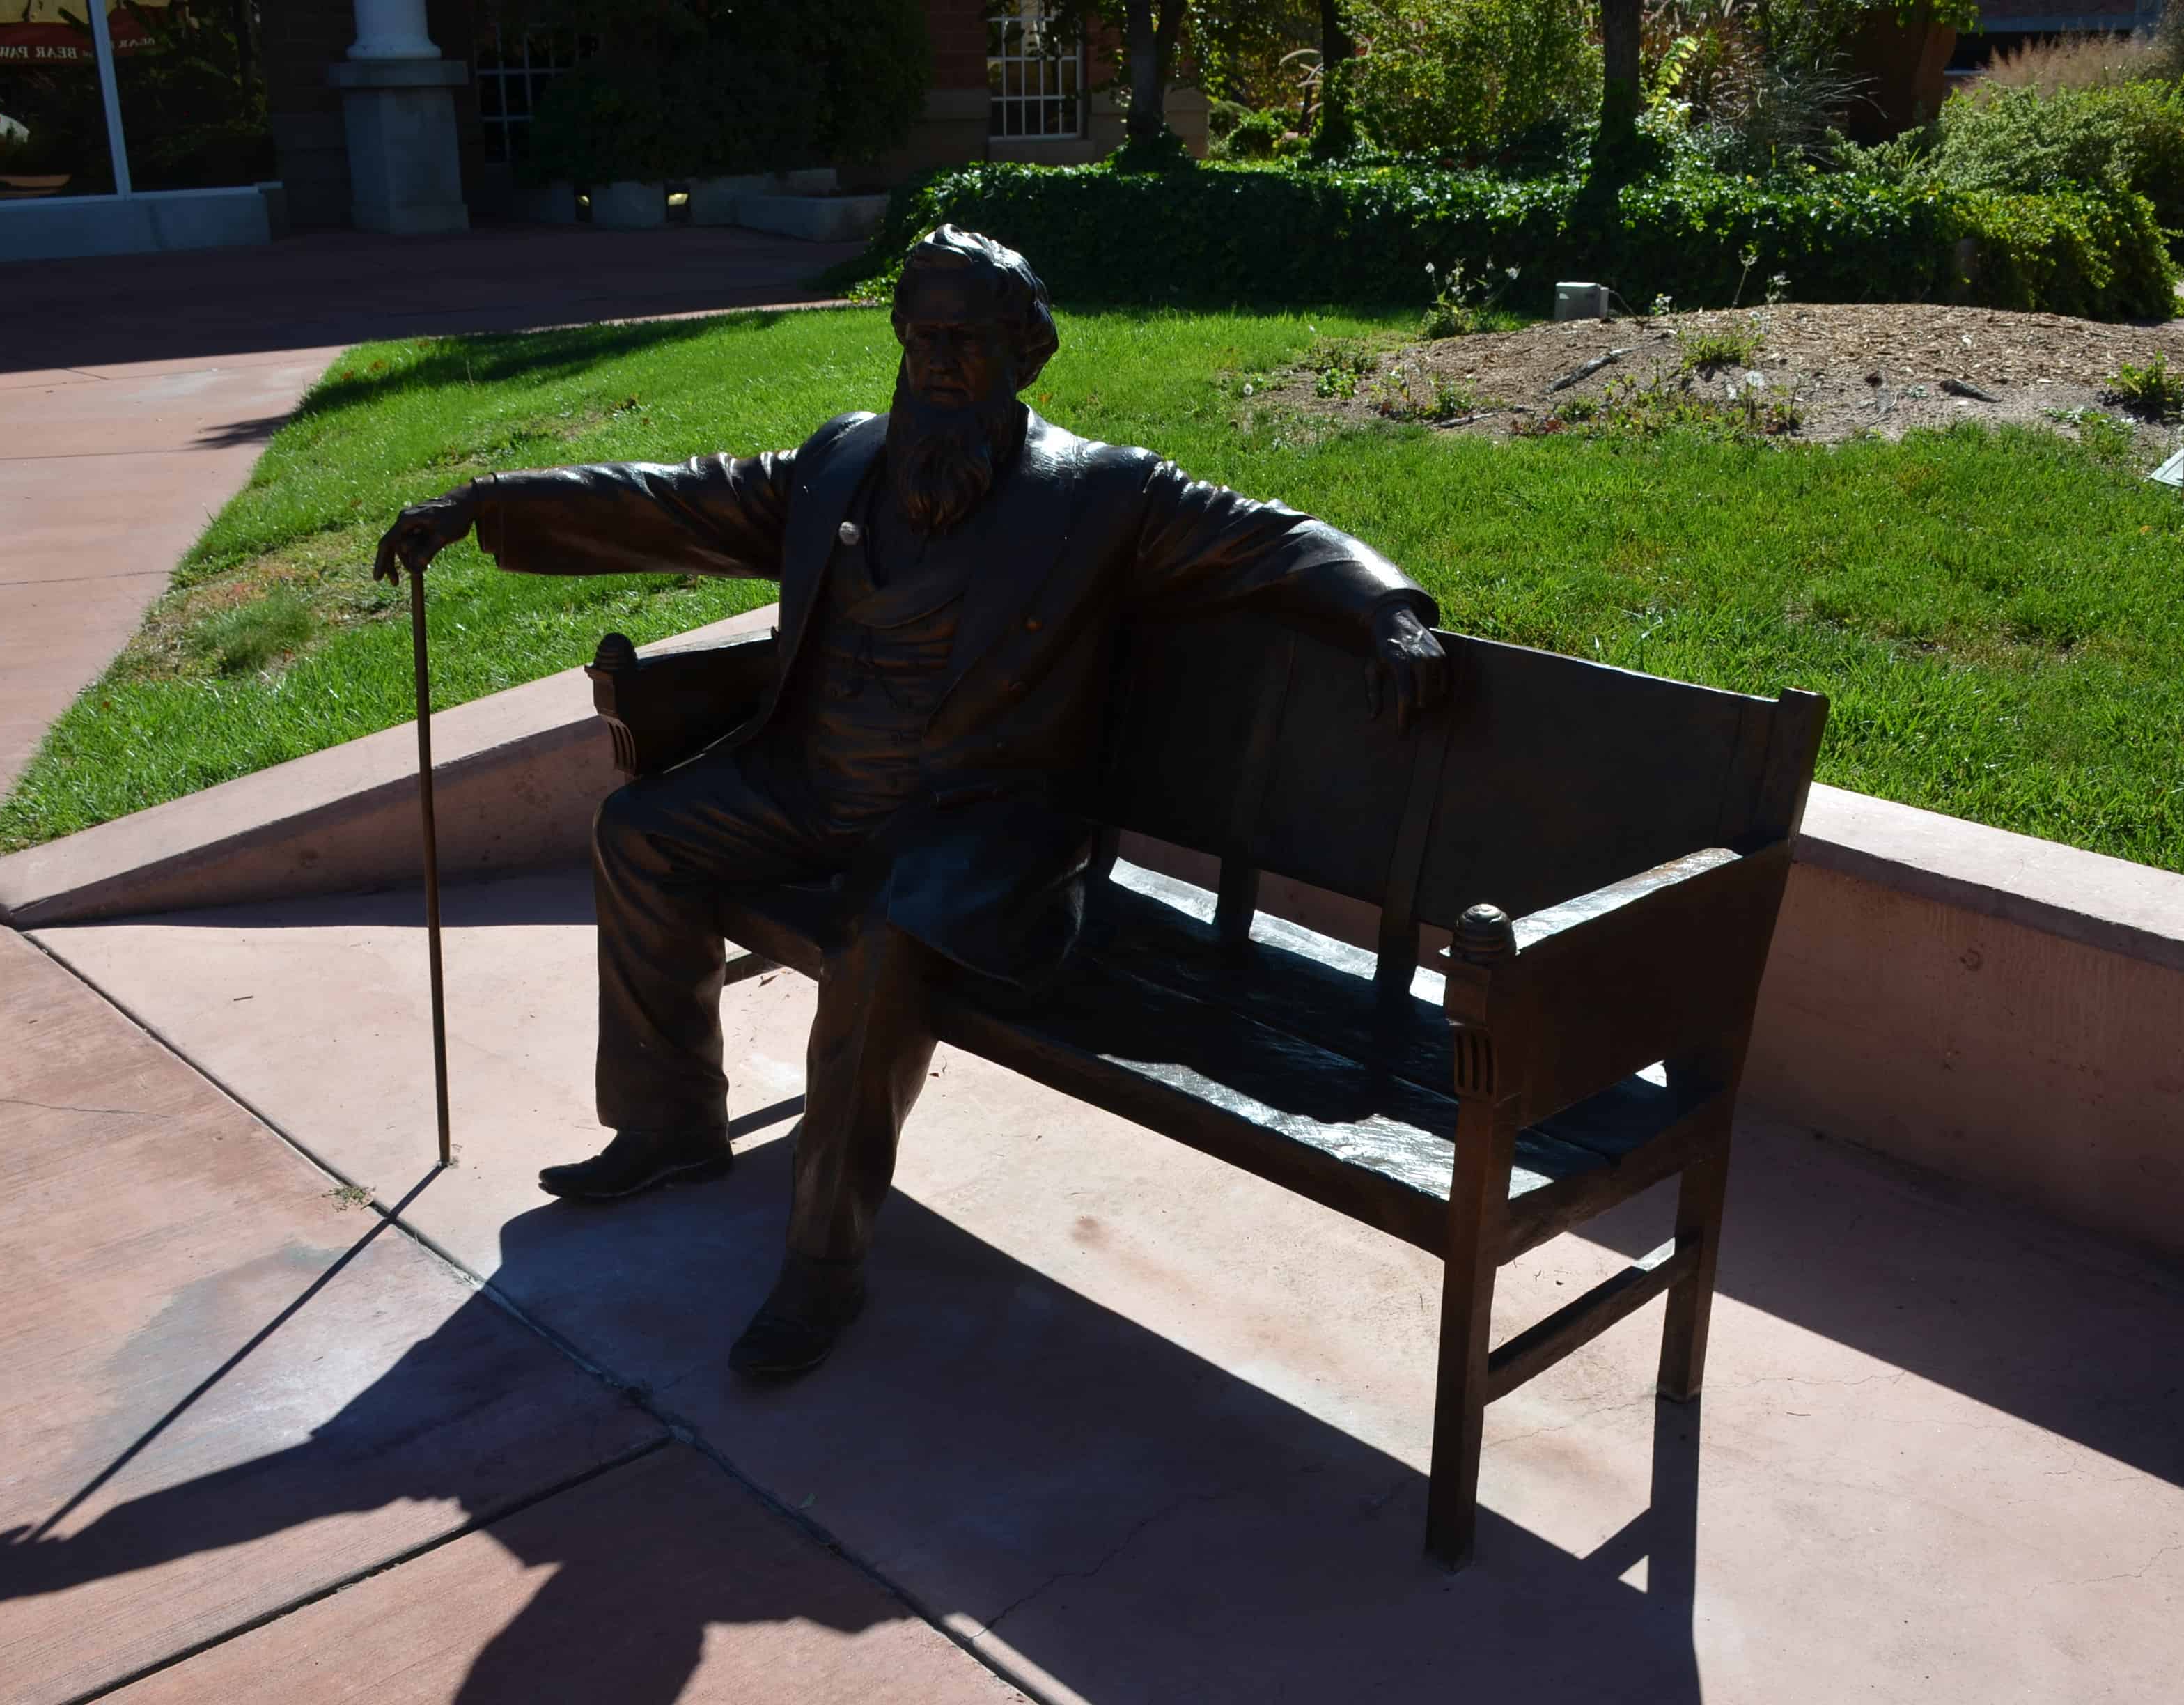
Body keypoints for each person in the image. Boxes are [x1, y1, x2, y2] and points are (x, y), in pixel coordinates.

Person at [375, 226, 1448, 1378]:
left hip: (978, 825)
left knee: (882, 946)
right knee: (641, 832)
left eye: (968, 342)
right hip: (813, 785)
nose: (939, 361)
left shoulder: (1104, 496)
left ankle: (822, 1266)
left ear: (1024, 355)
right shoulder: (843, 460)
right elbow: (677, 500)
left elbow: (1271, 539)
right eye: (921, 336)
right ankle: (669, 1123)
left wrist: (1386, 608)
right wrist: (486, 508)